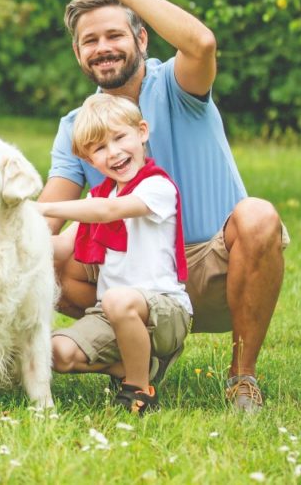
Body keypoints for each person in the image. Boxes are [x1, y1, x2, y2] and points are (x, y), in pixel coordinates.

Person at [41, 0, 289, 411]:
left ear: (142, 40)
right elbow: (46, 221)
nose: (103, 48)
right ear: (78, 53)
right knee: (45, 258)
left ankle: (242, 377)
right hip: (130, 278)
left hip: (213, 265)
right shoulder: (79, 124)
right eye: (89, 41)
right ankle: (135, 359)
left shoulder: (178, 86)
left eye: (114, 35)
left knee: (258, 216)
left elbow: (202, 43)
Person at [38, 93, 191, 415]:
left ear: (142, 132)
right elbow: (61, 247)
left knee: (118, 299)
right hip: (111, 314)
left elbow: (109, 211)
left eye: (120, 137)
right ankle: (135, 365)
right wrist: (4, 238)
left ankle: (139, 389)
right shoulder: (100, 194)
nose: (114, 152)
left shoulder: (156, 188)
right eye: (99, 148)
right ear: (89, 160)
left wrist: (42, 207)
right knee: (53, 352)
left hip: (166, 311)